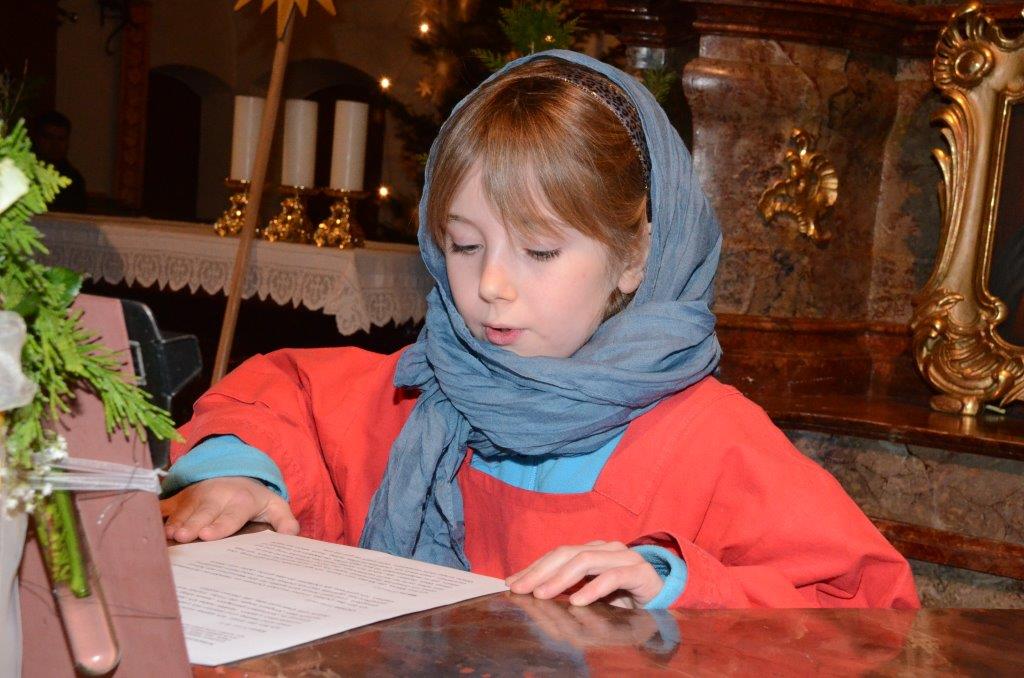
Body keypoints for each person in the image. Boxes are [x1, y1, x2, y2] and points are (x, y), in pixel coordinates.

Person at [161, 51, 919, 609]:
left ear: (634, 257)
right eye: (465, 245)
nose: (491, 284)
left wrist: (672, 583)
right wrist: (239, 472)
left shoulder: (714, 442)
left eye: (540, 250)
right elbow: (281, 395)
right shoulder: (418, 392)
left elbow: (868, 611)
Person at [31, 110, 88, 212]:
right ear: (36, 139)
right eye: (48, 137)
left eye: (61, 139)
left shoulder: (74, 180)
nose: (54, 145)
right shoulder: (22, 172)